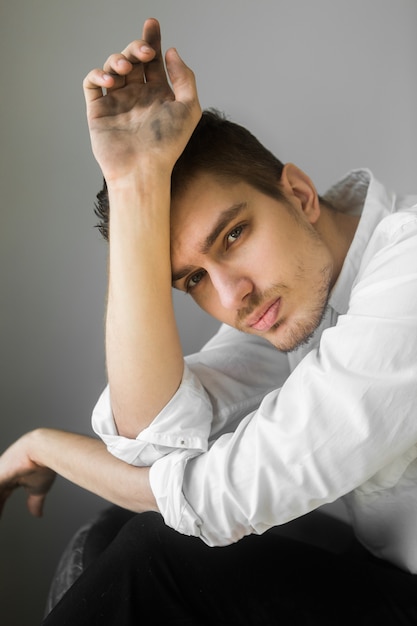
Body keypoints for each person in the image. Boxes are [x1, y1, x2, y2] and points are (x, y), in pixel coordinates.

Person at [0, 16, 416, 625]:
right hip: (387, 573)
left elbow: (229, 494)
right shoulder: (289, 303)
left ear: (298, 194)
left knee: (155, 555)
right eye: (193, 280)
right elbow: (155, 442)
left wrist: (50, 448)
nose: (233, 295)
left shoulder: (407, 270)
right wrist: (134, 182)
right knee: (121, 526)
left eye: (233, 235)